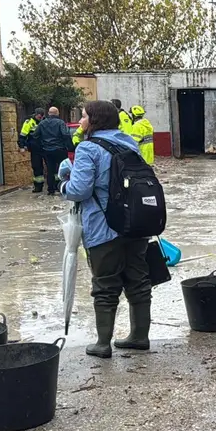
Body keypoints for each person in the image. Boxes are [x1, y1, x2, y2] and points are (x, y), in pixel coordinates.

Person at [59, 100, 152, 358]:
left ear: (95, 120)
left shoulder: (88, 148)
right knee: (138, 280)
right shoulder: (129, 143)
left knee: (105, 284)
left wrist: (64, 182)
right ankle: (139, 336)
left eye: (84, 116)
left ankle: (102, 343)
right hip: (136, 224)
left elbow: (80, 190)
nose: (80, 120)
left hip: (103, 228)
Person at [30, 107, 75, 196]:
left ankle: (51, 190)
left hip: (47, 150)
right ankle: (64, 187)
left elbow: (35, 135)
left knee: (50, 170)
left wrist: (41, 146)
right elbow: (66, 135)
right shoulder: (60, 123)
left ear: (49, 113)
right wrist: (71, 148)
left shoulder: (42, 123)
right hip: (60, 149)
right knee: (64, 168)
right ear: (57, 113)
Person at [19, 108, 46, 192]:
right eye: (39, 115)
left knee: (51, 167)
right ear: (35, 114)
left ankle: (53, 186)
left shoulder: (45, 122)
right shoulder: (29, 122)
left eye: (41, 115)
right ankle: (38, 186)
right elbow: (23, 135)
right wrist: (22, 146)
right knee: (37, 167)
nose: (40, 117)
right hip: (35, 149)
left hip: (46, 148)